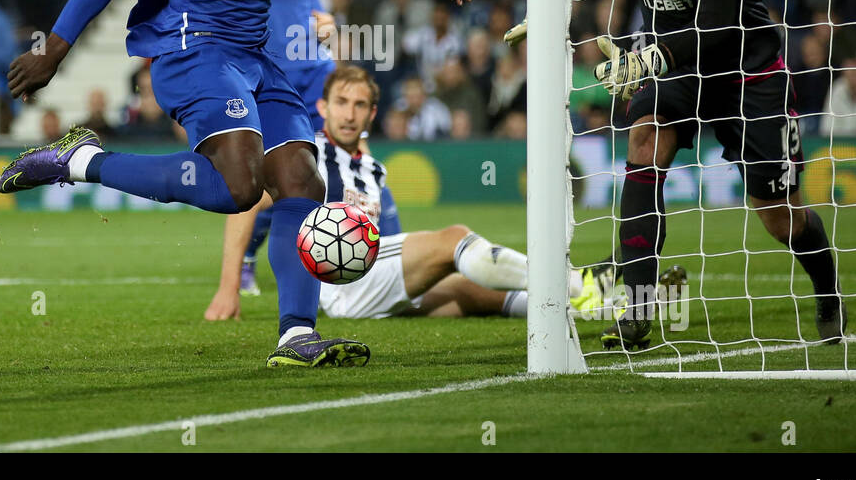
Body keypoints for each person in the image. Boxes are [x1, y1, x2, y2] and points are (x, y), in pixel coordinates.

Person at [0, 0, 469, 367]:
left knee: (302, 181)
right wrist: (55, 49)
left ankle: (296, 336)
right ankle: (80, 161)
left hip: (253, 55)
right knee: (240, 188)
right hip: (194, 50)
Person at [562, 0, 845, 350]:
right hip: (678, 68)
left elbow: (715, 23)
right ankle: (636, 310)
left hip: (744, 70)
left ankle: (828, 290)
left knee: (779, 216)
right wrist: (550, 0)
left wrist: (648, 60)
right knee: (644, 142)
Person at [207, 64, 613, 321]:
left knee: (467, 289)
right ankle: (576, 284)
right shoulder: (306, 154)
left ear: (372, 114)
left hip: (367, 279)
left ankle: (591, 311)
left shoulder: (372, 170)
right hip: (337, 284)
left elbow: (389, 241)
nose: (349, 114)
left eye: (360, 105)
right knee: (453, 240)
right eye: (341, 102)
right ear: (324, 108)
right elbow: (247, 203)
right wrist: (229, 287)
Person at [205, 0, 336, 309]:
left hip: (315, 69)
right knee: (267, 179)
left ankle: (339, 262)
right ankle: (242, 263)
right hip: (269, 73)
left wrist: (322, 14)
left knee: (334, 171)